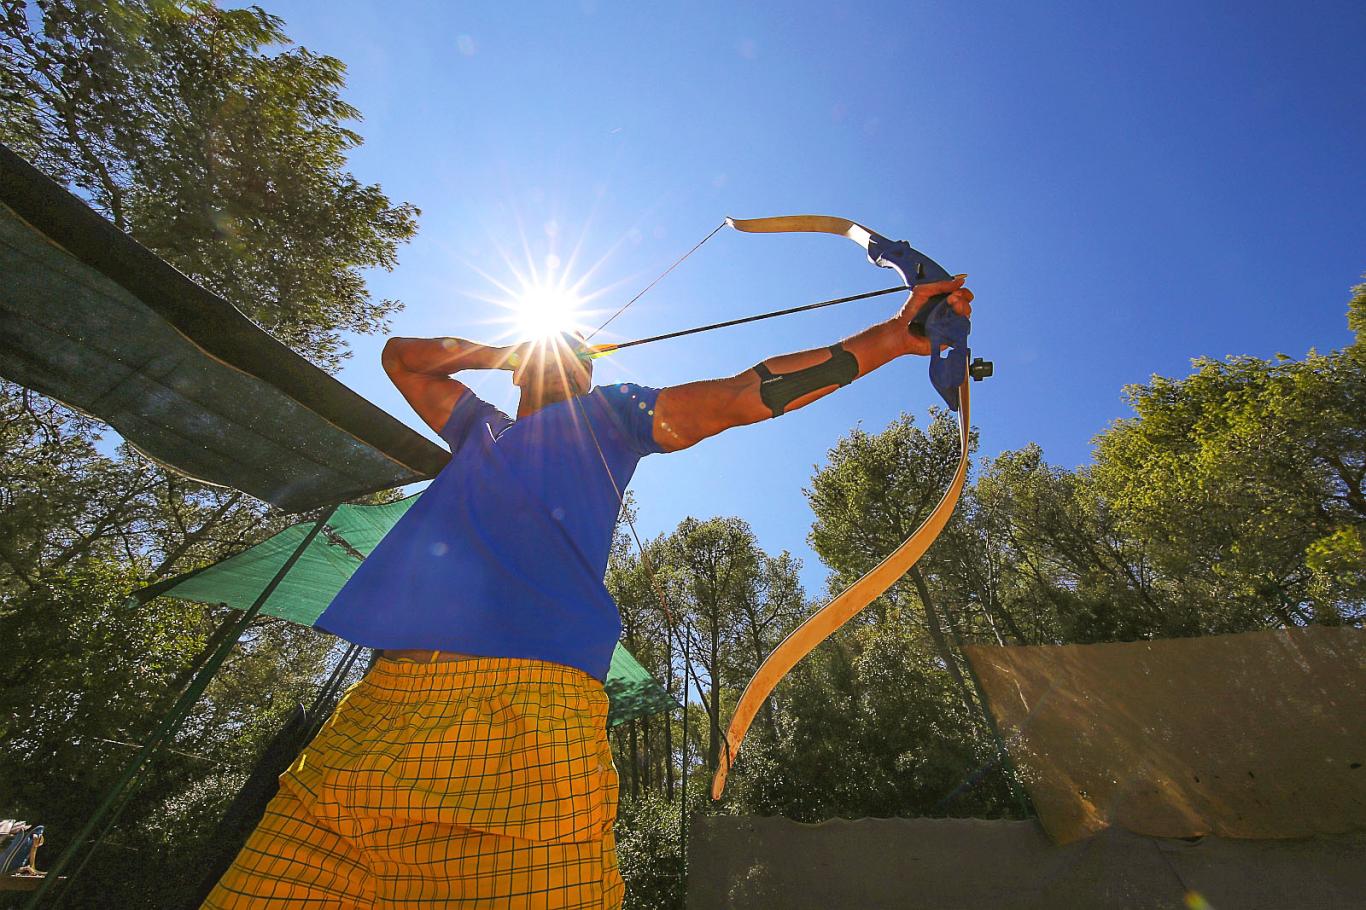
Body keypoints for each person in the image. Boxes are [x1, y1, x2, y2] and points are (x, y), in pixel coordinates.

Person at [202, 276, 973, 909]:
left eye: (572, 358)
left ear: (587, 376)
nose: (560, 364)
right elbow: (403, 359)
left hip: (527, 719)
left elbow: (741, 395)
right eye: (550, 356)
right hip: (375, 719)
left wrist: (891, 338)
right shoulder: (479, 429)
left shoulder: (612, 417)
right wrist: (507, 349)